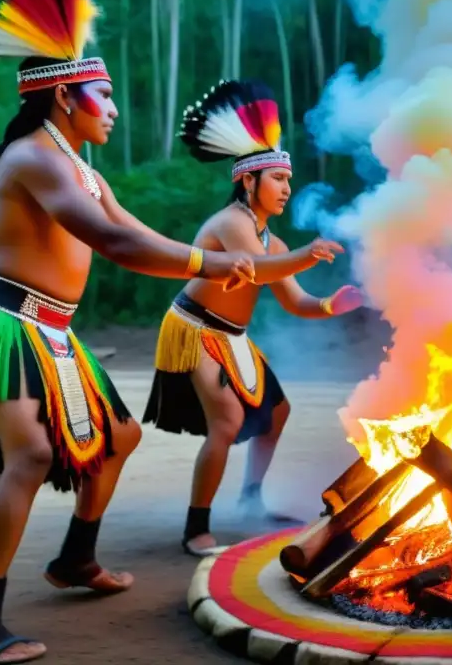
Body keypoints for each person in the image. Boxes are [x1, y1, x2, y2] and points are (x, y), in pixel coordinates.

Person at [0, 0, 274, 664]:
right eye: (103, 95)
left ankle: (74, 558)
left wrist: (212, 264)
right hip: (2, 322)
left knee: (118, 437)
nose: (113, 108)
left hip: (50, 329)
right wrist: (211, 259)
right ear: (62, 93)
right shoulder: (33, 159)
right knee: (32, 457)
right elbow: (111, 244)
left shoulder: (76, 164)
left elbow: (130, 227)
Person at [142, 79, 365, 556]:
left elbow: (294, 300)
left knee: (277, 413)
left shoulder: (276, 244)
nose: (287, 188)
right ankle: (195, 528)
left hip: (233, 336)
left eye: (288, 180)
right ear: (248, 180)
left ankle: (250, 499)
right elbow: (260, 274)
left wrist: (330, 305)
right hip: (195, 329)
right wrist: (308, 254)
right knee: (226, 422)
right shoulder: (231, 224)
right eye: (278, 179)